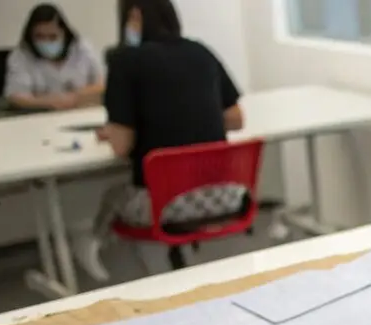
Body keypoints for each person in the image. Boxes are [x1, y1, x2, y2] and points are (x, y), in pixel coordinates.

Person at [76, 0, 247, 281]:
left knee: (112, 195)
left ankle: (93, 248)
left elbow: (122, 146)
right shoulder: (201, 52)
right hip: (223, 195)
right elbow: (236, 119)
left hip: (164, 205)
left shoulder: (124, 60)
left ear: (133, 17)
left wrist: (124, 129)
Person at [4, 4, 104, 111]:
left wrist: (77, 96)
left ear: (64, 33)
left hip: (83, 110)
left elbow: (103, 83)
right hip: (40, 115)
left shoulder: (82, 49)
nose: (46, 42)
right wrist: (48, 102)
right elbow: (15, 96)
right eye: (40, 36)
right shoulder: (21, 56)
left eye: (53, 36)